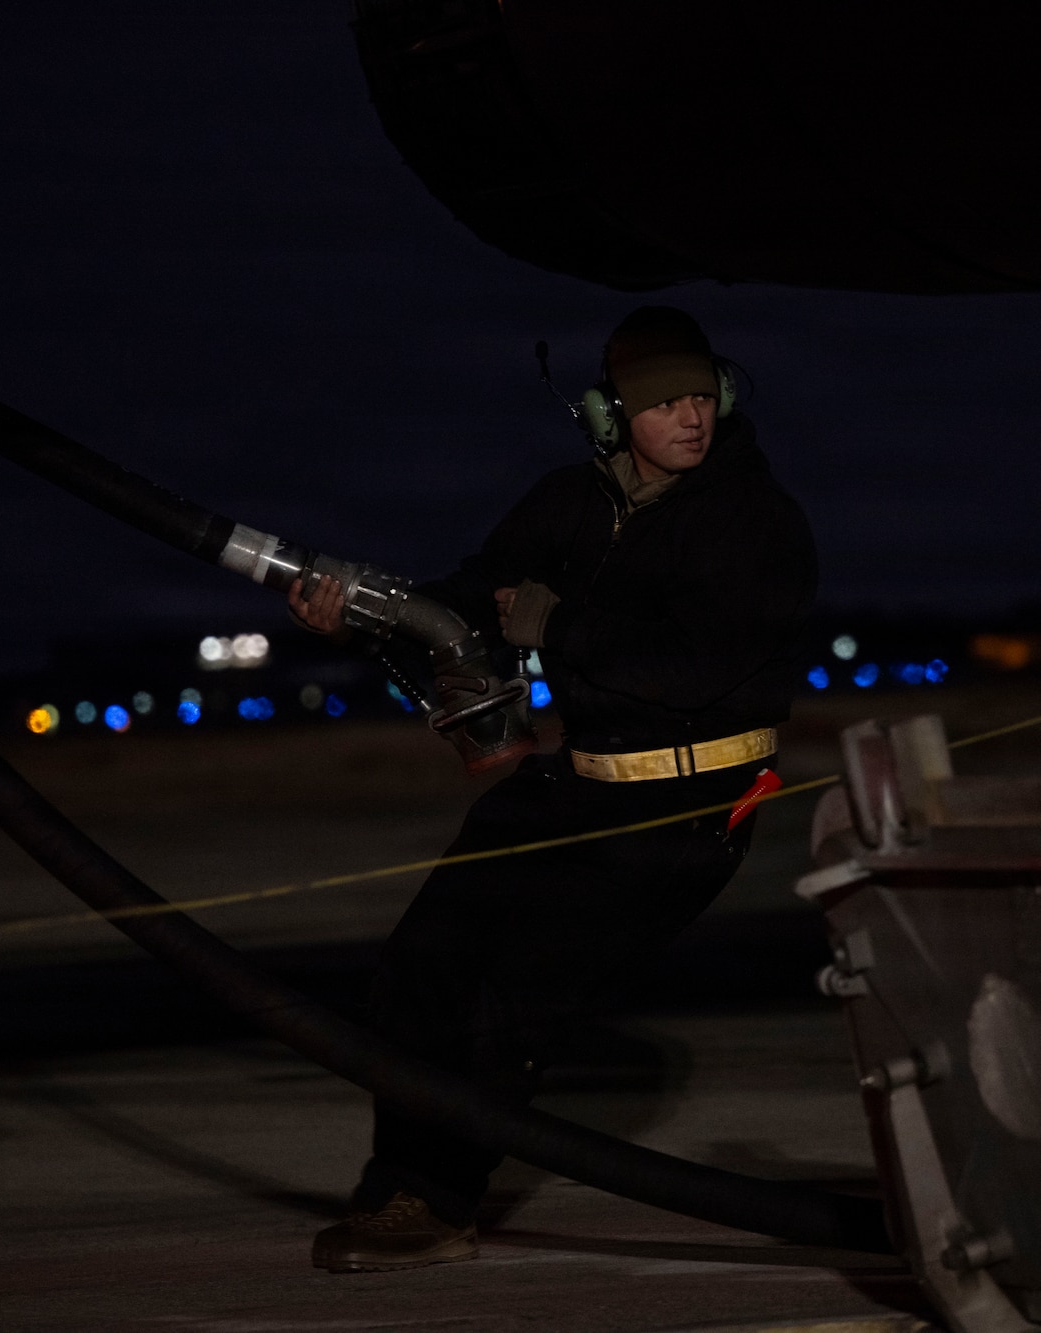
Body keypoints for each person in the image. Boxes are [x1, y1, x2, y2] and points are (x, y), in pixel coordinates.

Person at [288, 306, 817, 1273]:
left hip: (690, 808)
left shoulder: (756, 519)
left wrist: (554, 621)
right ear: (609, 414)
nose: (691, 418)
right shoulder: (565, 502)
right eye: (664, 403)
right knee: (419, 967)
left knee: (514, 996)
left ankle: (437, 1204)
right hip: (576, 785)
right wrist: (357, 615)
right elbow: (463, 603)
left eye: (703, 395)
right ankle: (399, 1187)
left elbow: (693, 666)